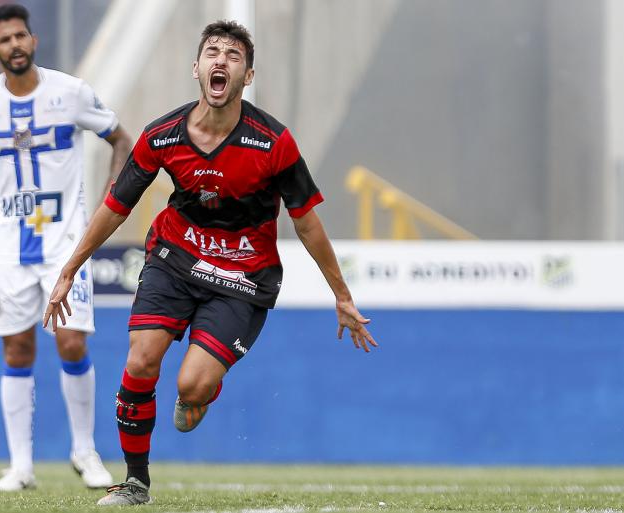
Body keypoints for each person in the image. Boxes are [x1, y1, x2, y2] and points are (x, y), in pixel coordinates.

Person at [43, 20, 377, 506]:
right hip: (176, 257)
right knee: (141, 360)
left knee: (191, 386)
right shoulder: (162, 135)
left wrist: (342, 296)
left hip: (244, 275)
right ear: (196, 68)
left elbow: (306, 222)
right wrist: (71, 268)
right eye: (213, 52)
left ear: (248, 75)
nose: (221, 60)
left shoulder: (273, 142)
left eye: (233, 55)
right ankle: (136, 482)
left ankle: (202, 390)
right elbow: (117, 205)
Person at [0, 4, 133, 493]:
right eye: (4, 40)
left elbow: (123, 140)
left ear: (33, 41)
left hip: (65, 247)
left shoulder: (70, 92)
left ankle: (85, 451)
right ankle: (21, 467)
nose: (14, 45)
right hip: (10, 249)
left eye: (21, 36)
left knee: (72, 339)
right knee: (17, 350)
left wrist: (113, 193)